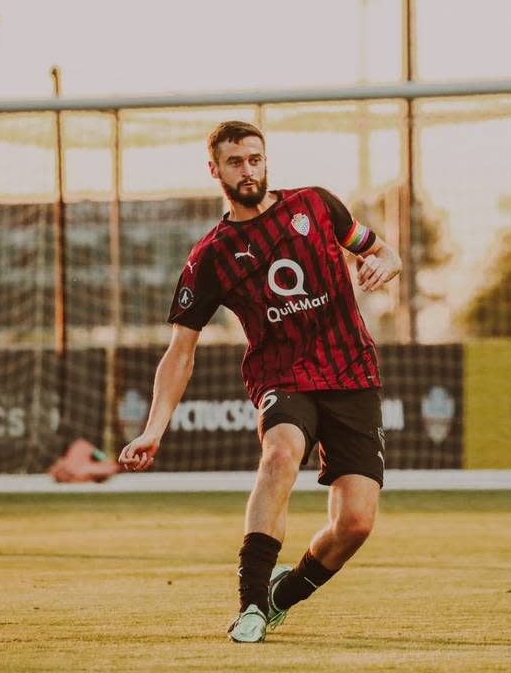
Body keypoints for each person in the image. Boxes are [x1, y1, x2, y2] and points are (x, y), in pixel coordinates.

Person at [118, 120, 402, 643]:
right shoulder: (211, 257)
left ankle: (280, 596)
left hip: (351, 373)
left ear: (266, 160)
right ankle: (249, 604)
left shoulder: (317, 206)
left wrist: (387, 263)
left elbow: (381, 249)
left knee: (356, 523)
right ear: (215, 170)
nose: (247, 170)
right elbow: (180, 352)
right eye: (234, 162)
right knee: (279, 454)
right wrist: (153, 428)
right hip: (283, 376)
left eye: (254, 159)